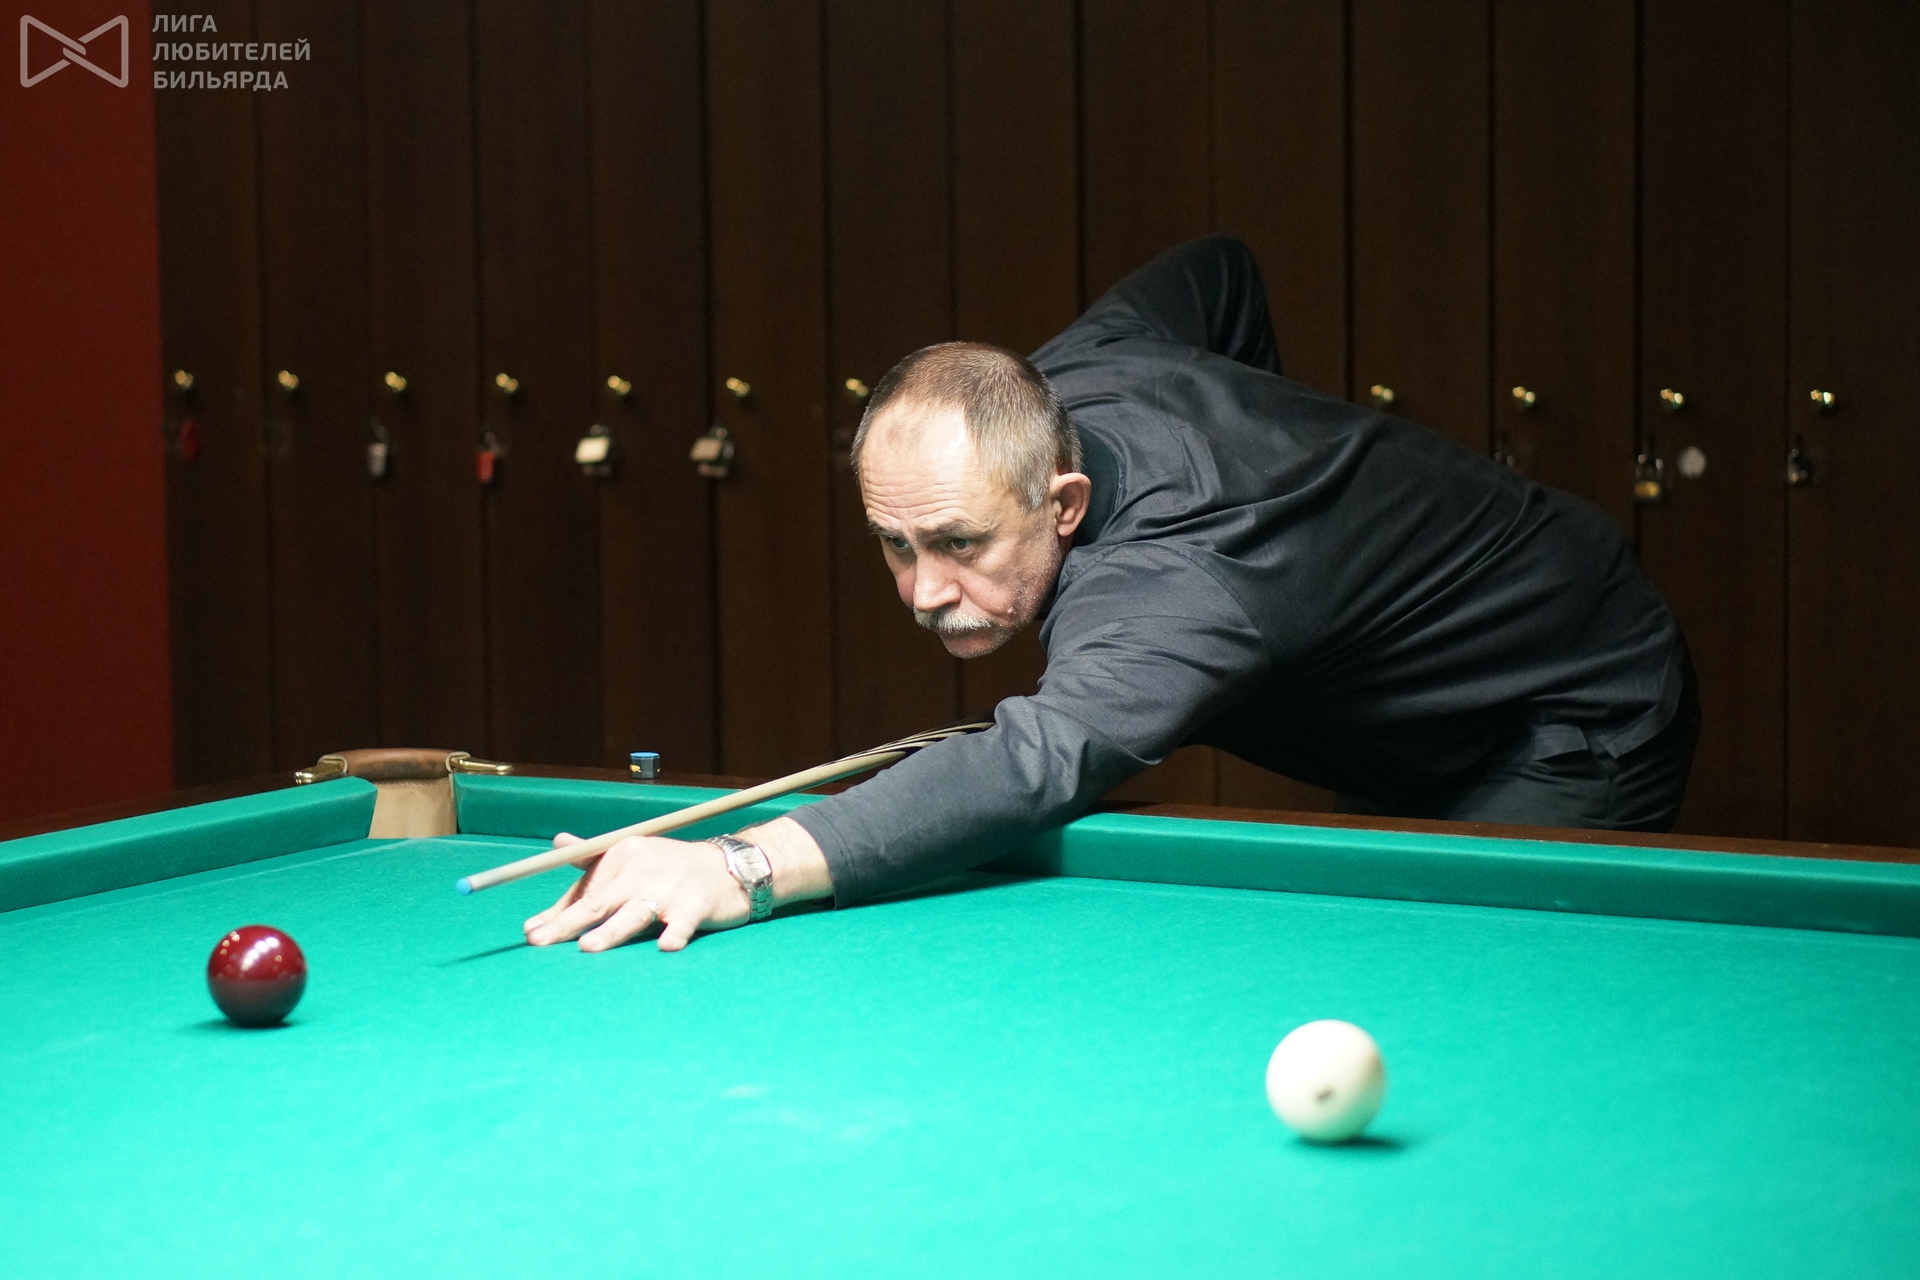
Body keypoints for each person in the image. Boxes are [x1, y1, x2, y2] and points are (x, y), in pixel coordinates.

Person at [525, 233, 1698, 954]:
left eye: (958, 542)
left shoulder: (1186, 585)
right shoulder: (1078, 374)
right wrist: (1295, 473)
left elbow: (1030, 762)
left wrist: (735, 864)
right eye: (893, 544)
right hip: (1403, 705)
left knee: (1456, 993)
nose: (924, 592)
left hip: (1569, 702)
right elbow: (1221, 270)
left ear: (1065, 500)